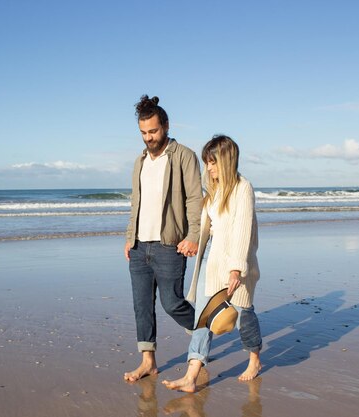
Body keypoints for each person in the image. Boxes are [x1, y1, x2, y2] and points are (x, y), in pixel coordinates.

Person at [162, 135, 263, 392]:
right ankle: (191, 376)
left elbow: (243, 230)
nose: (208, 167)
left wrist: (236, 268)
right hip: (213, 259)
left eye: (212, 162)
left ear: (226, 160)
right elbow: (206, 227)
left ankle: (254, 359)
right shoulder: (213, 192)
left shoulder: (243, 188)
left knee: (243, 315)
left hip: (236, 262)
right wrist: (191, 241)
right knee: (203, 318)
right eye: (207, 162)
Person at [124, 95, 203, 382]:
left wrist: (194, 234)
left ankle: (202, 331)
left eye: (153, 131)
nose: (149, 138)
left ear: (166, 126)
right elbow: (137, 203)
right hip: (139, 246)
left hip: (169, 244)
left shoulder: (184, 156)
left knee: (172, 303)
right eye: (144, 133)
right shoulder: (139, 161)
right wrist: (129, 237)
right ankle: (148, 362)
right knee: (141, 305)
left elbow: (195, 198)